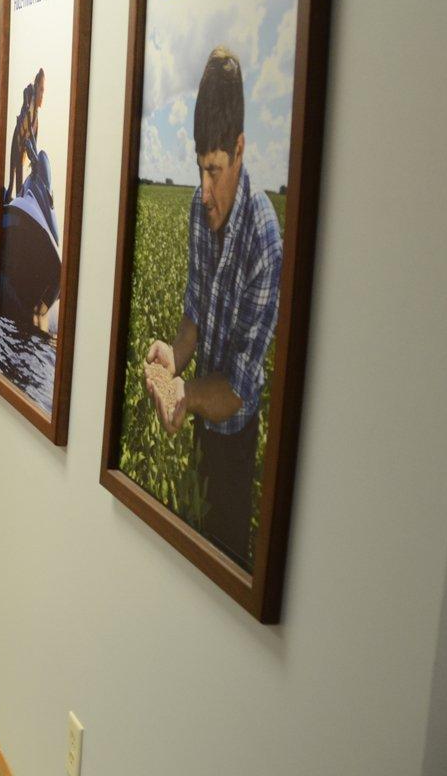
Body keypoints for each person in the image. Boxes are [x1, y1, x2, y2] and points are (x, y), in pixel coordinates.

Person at [144, 47, 282, 565]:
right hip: (199, 409)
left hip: (234, 429)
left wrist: (185, 392)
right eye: (199, 169)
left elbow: (241, 391)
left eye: (215, 171)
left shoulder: (265, 240)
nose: (203, 191)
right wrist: (172, 359)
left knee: (224, 546)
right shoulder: (200, 213)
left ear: (240, 149)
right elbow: (193, 319)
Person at [7, 69, 45, 199]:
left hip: (24, 147)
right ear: (36, 86)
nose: (42, 95)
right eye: (41, 90)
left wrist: (36, 159)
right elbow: (27, 119)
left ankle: (18, 200)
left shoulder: (36, 120)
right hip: (17, 141)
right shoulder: (29, 98)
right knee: (12, 179)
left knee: (20, 177)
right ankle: (11, 199)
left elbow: (34, 140)